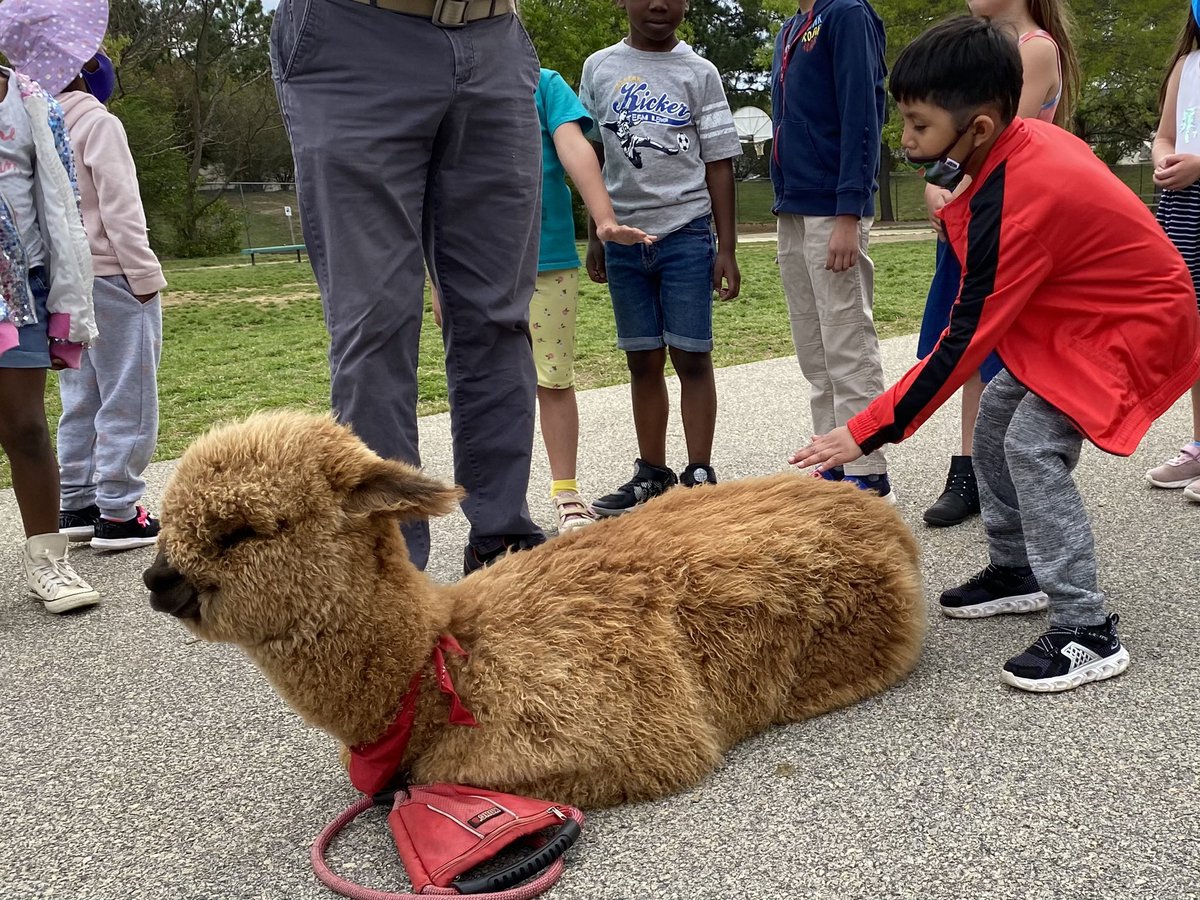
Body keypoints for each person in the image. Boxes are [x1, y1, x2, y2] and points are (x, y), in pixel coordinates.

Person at [791, 17, 1200, 693]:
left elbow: (961, 341)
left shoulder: (1020, 196)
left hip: (1131, 325)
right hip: (1083, 318)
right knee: (995, 419)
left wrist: (862, 429)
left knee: (1032, 445)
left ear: (978, 127)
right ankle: (1019, 569)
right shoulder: (1010, 151)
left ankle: (1086, 627)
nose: (906, 139)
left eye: (919, 125)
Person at [269, 0, 545, 576]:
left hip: (494, 37)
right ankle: (391, 573)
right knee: (375, 322)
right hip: (353, 36)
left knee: (498, 318)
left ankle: (503, 547)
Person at [431, 70, 653, 533]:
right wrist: (436, 277)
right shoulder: (444, 81)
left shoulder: (544, 83)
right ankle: (493, 509)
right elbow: (434, 174)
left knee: (552, 380)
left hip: (547, 259)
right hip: (472, 265)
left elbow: (575, 147)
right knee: (483, 386)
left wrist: (605, 218)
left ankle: (565, 494)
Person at [918, 0, 1079, 526]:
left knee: (1002, 352)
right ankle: (969, 471)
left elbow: (999, 139)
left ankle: (1008, 473)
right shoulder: (973, 45)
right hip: (967, 215)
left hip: (1006, 220)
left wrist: (946, 183)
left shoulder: (1035, 50)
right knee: (968, 343)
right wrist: (936, 188)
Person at [579, 0, 741, 516]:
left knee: (691, 355)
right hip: (624, 237)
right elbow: (591, 159)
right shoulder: (599, 68)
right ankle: (652, 472)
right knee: (642, 358)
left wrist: (727, 248)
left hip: (686, 234)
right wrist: (597, 235)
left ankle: (699, 472)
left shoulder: (700, 72)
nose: (658, 4)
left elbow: (718, 163)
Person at [0, 0, 102, 612]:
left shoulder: (29, 101)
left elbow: (59, 204)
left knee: (27, 426)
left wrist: (65, 294)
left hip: (21, 291)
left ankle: (50, 561)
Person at [769, 0, 893, 502]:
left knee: (845, 338)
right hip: (792, 204)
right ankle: (832, 461)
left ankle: (869, 467)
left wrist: (849, 210)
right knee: (813, 346)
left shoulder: (846, 14)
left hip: (832, 207)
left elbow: (862, 112)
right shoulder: (791, 27)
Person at [55, 47, 167, 551]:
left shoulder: (31, 128)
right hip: (113, 274)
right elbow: (121, 205)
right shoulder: (99, 124)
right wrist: (143, 273)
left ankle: (76, 501)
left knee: (80, 396)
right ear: (83, 69)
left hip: (65, 280)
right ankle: (120, 511)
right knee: (129, 392)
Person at [1146, 4, 1200, 503]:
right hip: (1184, 209)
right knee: (1195, 331)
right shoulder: (1187, 65)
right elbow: (1165, 136)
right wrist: (1165, 159)